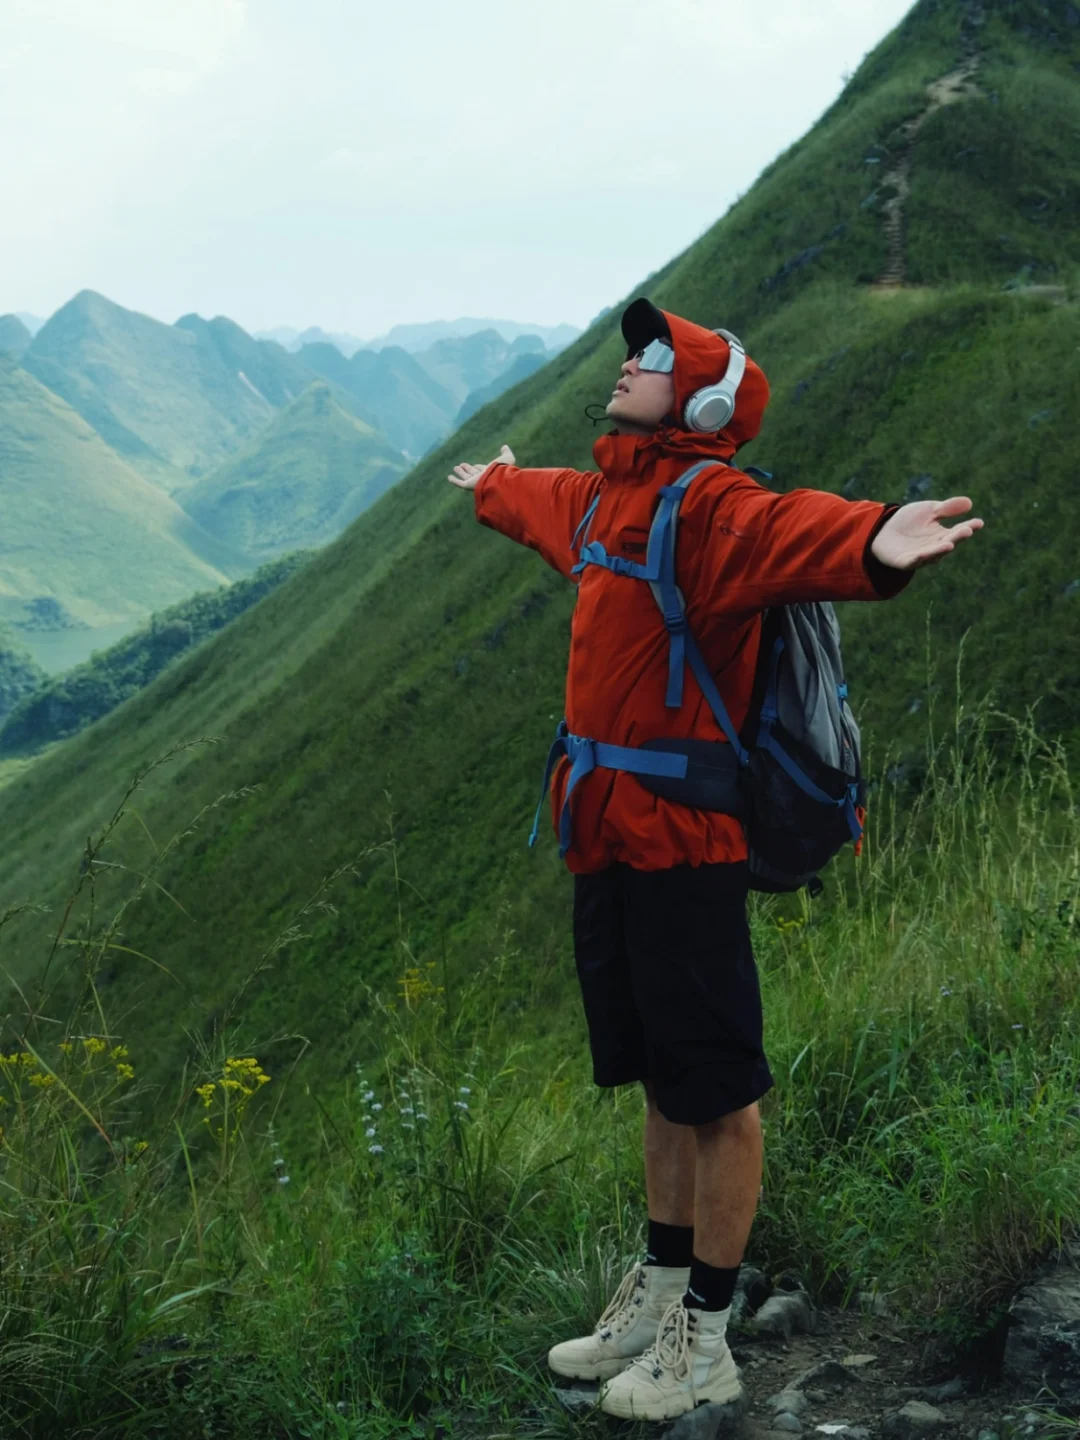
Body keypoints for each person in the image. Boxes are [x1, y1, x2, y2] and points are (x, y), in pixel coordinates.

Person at [447, 298, 983, 1422]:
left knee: (719, 1088)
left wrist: (877, 537)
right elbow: (550, 505)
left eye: (652, 360)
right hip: (606, 833)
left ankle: (709, 1338)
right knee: (662, 1078)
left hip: (686, 843)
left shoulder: (707, 507)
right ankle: (659, 1289)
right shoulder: (612, 496)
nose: (627, 366)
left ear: (699, 399)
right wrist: (496, 486)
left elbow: (792, 529)